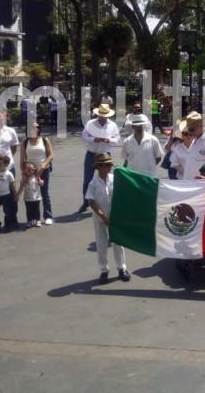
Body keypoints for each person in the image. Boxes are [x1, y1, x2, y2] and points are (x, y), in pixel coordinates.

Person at [86, 153, 130, 284]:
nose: (109, 167)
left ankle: (122, 268)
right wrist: (103, 216)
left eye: (110, 164)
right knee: (101, 244)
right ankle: (104, 270)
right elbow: (91, 202)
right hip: (100, 218)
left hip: (114, 217)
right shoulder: (93, 183)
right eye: (106, 165)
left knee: (118, 243)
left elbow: (122, 195)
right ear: (98, 167)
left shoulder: (114, 179)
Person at [79, 104, 121, 213]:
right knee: (87, 180)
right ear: (98, 114)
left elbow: (117, 138)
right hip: (92, 153)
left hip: (105, 154)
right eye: (101, 115)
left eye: (105, 115)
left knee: (106, 179)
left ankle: (107, 201)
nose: (103, 117)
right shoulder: (90, 123)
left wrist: (109, 140)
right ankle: (86, 202)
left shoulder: (112, 125)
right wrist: (94, 139)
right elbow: (84, 136)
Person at [20, 122, 54, 225]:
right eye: (32, 128)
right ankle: (33, 218)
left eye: (36, 128)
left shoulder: (44, 140)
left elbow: (51, 155)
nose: (34, 129)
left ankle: (48, 216)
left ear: (39, 129)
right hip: (30, 172)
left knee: (44, 192)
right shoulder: (25, 142)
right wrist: (23, 172)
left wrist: (44, 165)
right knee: (31, 194)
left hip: (43, 170)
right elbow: (22, 159)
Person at [17, 161, 44, 228]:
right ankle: (29, 220)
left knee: (36, 209)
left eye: (32, 169)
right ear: (25, 170)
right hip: (28, 198)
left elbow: (42, 183)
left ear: (35, 170)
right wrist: (17, 195)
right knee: (29, 210)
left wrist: (40, 182)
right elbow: (21, 187)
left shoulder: (36, 177)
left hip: (36, 197)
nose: (31, 171)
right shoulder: (24, 179)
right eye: (28, 169)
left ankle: (37, 220)